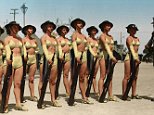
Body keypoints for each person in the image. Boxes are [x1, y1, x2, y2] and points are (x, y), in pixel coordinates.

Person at [4, 21, 28, 112]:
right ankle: (5, 104)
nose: (16, 29)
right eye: (14, 27)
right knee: (8, 84)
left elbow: (24, 49)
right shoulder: (7, 39)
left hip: (19, 62)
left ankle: (18, 103)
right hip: (11, 61)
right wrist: (8, 58)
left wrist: (25, 55)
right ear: (10, 28)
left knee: (18, 84)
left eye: (17, 27)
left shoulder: (20, 39)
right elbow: (7, 50)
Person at [40, 21, 62, 107]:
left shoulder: (54, 38)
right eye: (49, 26)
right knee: (43, 80)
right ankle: (41, 99)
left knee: (53, 80)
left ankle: (53, 99)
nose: (51, 28)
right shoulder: (43, 37)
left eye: (52, 27)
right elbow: (45, 48)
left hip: (54, 59)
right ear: (45, 28)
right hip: (46, 59)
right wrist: (48, 58)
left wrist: (60, 55)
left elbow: (59, 47)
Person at [71, 18, 91, 104]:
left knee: (82, 77)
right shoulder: (74, 35)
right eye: (79, 23)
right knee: (74, 76)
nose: (80, 25)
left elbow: (87, 46)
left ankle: (84, 96)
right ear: (75, 25)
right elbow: (74, 46)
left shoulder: (84, 36)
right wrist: (76, 56)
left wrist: (86, 49)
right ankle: (71, 95)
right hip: (77, 55)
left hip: (84, 56)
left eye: (82, 23)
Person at [98, 20, 117, 101]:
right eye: (107, 25)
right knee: (103, 75)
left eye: (110, 26)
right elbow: (106, 46)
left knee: (110, 76)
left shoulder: (111, 37)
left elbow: (112, 48)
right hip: (104, 55)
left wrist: (114, 56)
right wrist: (112, 57)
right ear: (103, 27)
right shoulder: (102, 36)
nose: (109, 27)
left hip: (111, 56)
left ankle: (110, 95)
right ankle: (100, 94)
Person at [122, 24, 141, 101]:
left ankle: (133, 93)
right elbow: (131, 48)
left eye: (135, 29)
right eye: (132, 29)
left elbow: (137, 50)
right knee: (127, 76)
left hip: (136, 57)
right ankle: (124, 94)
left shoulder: (137, 39)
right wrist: (135, 58)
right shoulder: (128, 38)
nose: (133, 31)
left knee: (135, 76)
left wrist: (137, 58)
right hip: (130, 57)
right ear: (128, 30)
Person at [22, 25, 38, 101]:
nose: (30, 30)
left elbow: (37, 49)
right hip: (25, 60)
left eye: (31, 29)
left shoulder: (34, 40)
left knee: (31, 78)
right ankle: (20, 95)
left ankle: (32, 95)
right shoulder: (23, 39)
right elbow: (22, 49)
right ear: (25, 30)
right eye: (29, 28)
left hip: (33, 59)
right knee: (22, 78)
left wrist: (36, 52)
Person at [56, 25, 71, 97]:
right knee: (58, 75)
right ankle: (56, 91)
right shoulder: (58, 39)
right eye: (63, 30)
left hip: (68, 57)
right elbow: (58, 47)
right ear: (60, 31)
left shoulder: (68, 39)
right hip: (61, 57)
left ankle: (68, 92)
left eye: (65, 30)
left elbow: (71, 46)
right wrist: (61, 54)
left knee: (66, 75)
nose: (64, 31)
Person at [85, 26, 99, 95]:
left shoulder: (97, 40)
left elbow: (98, 48)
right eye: (92, 31)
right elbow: (89, 48)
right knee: (87, 74)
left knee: (94, 75)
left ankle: (95, 90)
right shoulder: (88, 39)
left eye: (95, 31)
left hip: (96, 58)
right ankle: (85, 89)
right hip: (89, 57)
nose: (94, 32)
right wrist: (93, 54)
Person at [0, 27, 5, 104]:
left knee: (0, 81)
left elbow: (5, 52)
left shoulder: (2, 42)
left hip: (0, 63)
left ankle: (0, 100)